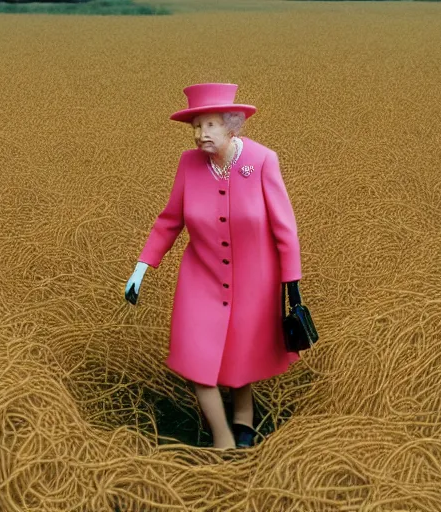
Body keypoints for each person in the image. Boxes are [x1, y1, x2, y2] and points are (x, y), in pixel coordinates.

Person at [124, 83, 309, 450]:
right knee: (195, 357)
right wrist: (142, 267)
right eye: (196, 126)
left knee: (241, 350)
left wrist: (292, 284)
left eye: (209, 125)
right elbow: (169, 221)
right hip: (201, 277)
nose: (200, 134)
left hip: (255, 280)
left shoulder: (262, 161)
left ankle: (244, 419)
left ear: (232, 125)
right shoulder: (188, 164)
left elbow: (284, 227)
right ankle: (224, 441)